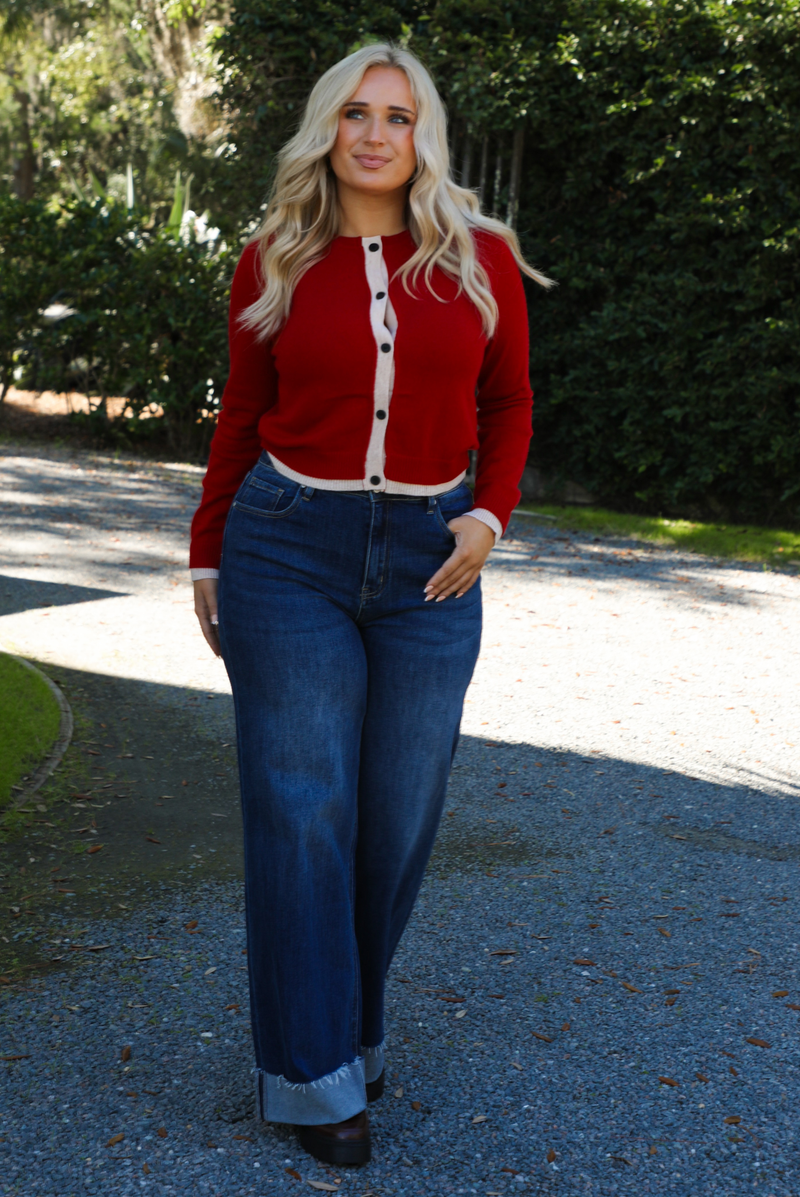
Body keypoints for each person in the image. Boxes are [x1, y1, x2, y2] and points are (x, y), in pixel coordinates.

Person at [190, 41, 550, 1166]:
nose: (375, 133)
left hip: (432, 565)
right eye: (355, 113)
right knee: (303, 809)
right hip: (286, 548)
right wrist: (206, 558)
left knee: (396, 819)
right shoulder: (276, 257)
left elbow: (510, 403)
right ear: (327, 130)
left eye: (397, 115)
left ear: (421, 134)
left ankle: (347, 1027)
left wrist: (489, 518)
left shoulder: (480, 256)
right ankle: (313, 1075)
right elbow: (241, 412)